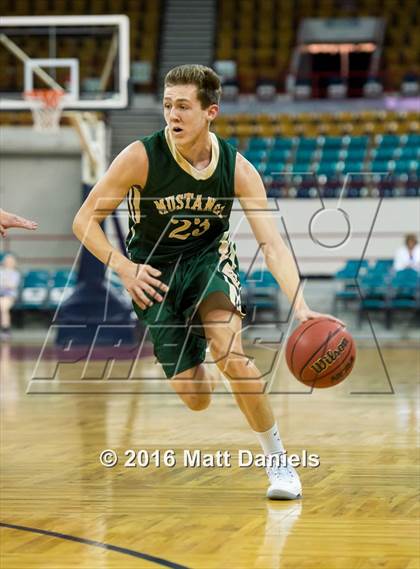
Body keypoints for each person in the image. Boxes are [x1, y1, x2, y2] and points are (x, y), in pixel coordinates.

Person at [73, 64, 340, 500]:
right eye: (166, 105)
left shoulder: (237, 168)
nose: (171, 115)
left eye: (182, 106)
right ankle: (204, 353)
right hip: (152, 274)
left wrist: (302, 306)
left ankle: (279, 464)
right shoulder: (141, 156)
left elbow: (272, 245)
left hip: (207, 262)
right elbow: (84, 219)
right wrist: (123, 267)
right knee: (196, 397)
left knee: (232, 355)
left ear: (209, 111)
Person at [0, 254, 20, 339]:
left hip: (9, 296)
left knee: (3, 306)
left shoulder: (16, 274)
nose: (8, 263)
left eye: (10, 261)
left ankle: (6, 330)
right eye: (7, 261)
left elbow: (12, 285)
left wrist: (4, 283)